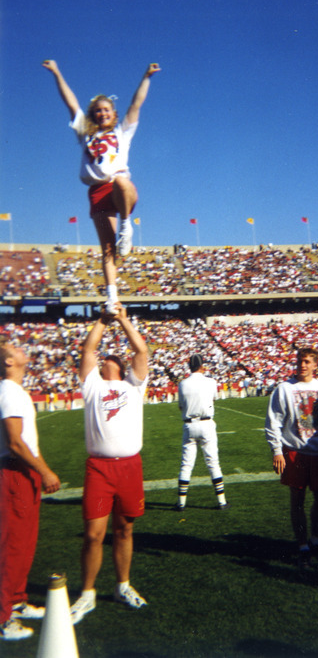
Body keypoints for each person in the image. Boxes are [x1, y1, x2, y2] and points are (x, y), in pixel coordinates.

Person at [42, 59, 161, 315]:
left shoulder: (122, 132)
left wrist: (147, 76)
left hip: (120, 189)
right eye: (98, 110)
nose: (102, 113)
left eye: (107, 109)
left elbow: (136, 104)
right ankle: (111, 298)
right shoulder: (85, 132)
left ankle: (127, 225)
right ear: (93, 115)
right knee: (107, 250)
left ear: (114, 114)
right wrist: (56, 72)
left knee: (120, 180)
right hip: (97, 191)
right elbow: (71, 102)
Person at [70, 306, 149, 624]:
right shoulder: (93, 387)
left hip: (130, 466)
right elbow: (88, 349)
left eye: (112, 357)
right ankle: (87, 594)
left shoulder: (134, 385)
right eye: (104, 359)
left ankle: (122, 585)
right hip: (100, 468)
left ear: (122, 364)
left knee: (125, 529)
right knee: (93, 534)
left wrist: (124, 319)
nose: (105, 358)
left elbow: (141, 349)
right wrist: (103, 320)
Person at [0, 339, 60, 641]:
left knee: (24, 542)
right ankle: (2, 616)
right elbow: (14, 442)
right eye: (17, 350)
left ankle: (18, 601)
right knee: (11, 544)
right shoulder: (9, 391)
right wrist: (45, 471)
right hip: (14, 473)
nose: (24, 351)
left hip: (23, 473)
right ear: (9, 362)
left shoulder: (15, 391)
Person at [265, 347, 318, 568]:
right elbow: (273, 421)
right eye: (300, 360)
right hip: (295, 452)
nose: (302, 365)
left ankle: (316, 539)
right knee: (297, 501)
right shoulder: (284, 388)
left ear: (315, 365)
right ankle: (302, 546)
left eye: (307, 361)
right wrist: (277, 451)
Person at [176, 354, 228, 511]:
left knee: (186, 464)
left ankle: (181, 503)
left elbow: (180, 406)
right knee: (213, 462)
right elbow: (213, 400)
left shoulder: (182, 384)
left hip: (189, 425)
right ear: (202, 366)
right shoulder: (211, 382)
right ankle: (222, 501)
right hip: (206, 423)